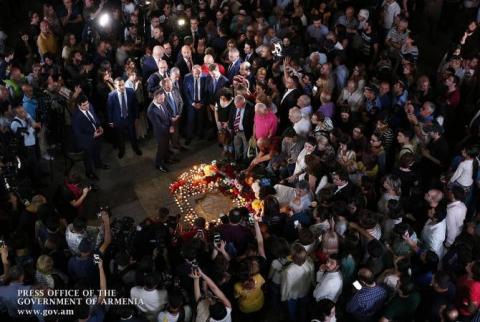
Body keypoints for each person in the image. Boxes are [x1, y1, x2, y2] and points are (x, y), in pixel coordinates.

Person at [71, 95, 108, 180]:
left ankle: (98, 164)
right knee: (88, 158)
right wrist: (92, 135)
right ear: (79, 106)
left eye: (87, 103)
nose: (87, 106)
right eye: (84, 105)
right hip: (87, 140)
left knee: (97, 151)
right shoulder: (76, 117)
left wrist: (99, 126)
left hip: (97, 135)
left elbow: (94, 117)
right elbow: (78, 134)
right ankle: (89, 173)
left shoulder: (90, 105)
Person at [107, 77, 142, 159]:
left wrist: (136, 117)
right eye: (119, 85)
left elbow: (135, 105)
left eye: (123, 85)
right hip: (118, 120)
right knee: (120, 137)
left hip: (129, 119)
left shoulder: (130, 91)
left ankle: (136, 149)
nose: (122, 87)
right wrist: (110, 121)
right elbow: (109, 109)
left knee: (133, 135)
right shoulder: (111, 95)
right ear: (115, 86)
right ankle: (121, 151)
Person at [147, 89, 172, 173]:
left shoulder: (161, 102)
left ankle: (167, 159)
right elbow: (158, 125)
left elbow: (167, 114)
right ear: (155, 98)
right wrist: (169, 128)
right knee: (161, 149)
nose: (163, 100)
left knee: (166, 146)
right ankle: (159, 164)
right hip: (160, 133)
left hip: (167, 129)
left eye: (163, 98)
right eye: (161, 99)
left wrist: (171, 124)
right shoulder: (151, 110)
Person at [183, 65, 208, 144]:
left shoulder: (205, 77)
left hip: (201, 103)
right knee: (190, 120)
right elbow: (185, 92)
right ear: (192, 72)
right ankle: (189, 136)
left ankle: (200, 134)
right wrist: (192, 103)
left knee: (201, 119)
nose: (197, 75)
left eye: (199, 73)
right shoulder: (187, 78)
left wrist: (202, 103)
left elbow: (207, 92)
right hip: (191, 103)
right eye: (195, 74)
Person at [228, 95, 254, 162]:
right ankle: (238, 160)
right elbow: (231, 116)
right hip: (236, 130)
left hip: (245, 131)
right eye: (235, 105)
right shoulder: (234, 105)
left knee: (246, 147)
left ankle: (245, 161)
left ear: (242, 102)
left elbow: (252, 121)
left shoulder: (250, 107)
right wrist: (231, 127)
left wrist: (252, 133)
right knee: (237, 146)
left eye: (237, 105)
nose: (236, 107)